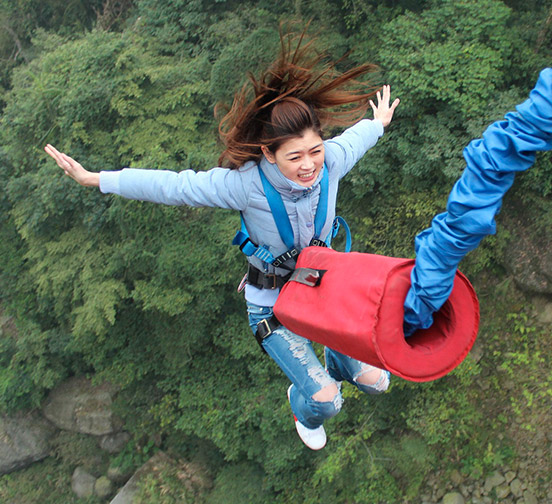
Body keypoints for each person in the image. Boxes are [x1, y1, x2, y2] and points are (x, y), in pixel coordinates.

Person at [44, 31, 400, 451]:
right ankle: (302, 402)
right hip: (273, 306)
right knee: (326, 403)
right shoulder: (245, 186)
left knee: (379, 381)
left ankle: (336, 362)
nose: (309, 166)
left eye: (315, 151)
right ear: (268, 153)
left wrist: (377, 123)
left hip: (322, 293)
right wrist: (98, 179)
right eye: (295, 157)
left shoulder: (331, 162)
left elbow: (356, 139)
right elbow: (174, 186)